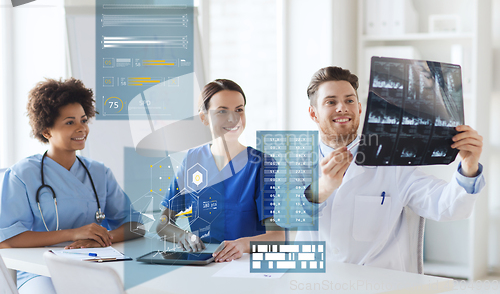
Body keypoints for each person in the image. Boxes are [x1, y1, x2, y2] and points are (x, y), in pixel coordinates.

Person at [295, 66, 485, 272]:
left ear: (359, 108)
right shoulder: (296, 163)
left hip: (380, 284)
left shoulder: (392, 163)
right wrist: (322, 189)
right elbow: (282, 217)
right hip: (316, 282)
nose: (342, 108)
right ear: (313, 113)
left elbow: (448, 207)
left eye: (349, 100)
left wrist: (469, 167)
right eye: (331, 102)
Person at [0, 78, 143, 293]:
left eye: (83, 120)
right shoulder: (22, 174)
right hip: (39, 269)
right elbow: (8, 240)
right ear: (47, 131)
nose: (81, 128)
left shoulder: (99, 172)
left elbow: (136, 226)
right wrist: (74, 233)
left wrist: (101, 239)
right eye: (70, 122)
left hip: (93, 266)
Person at [157, 79, 284, 262]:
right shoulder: (192, 161)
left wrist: (243, 244)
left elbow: (278, 238)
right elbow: (163, 224)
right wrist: (183, 236)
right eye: (222, 111)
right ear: (204, 117)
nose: (233, 119)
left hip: (247, 263)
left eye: (239, 110)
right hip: (203, 262)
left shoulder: (262, 165)